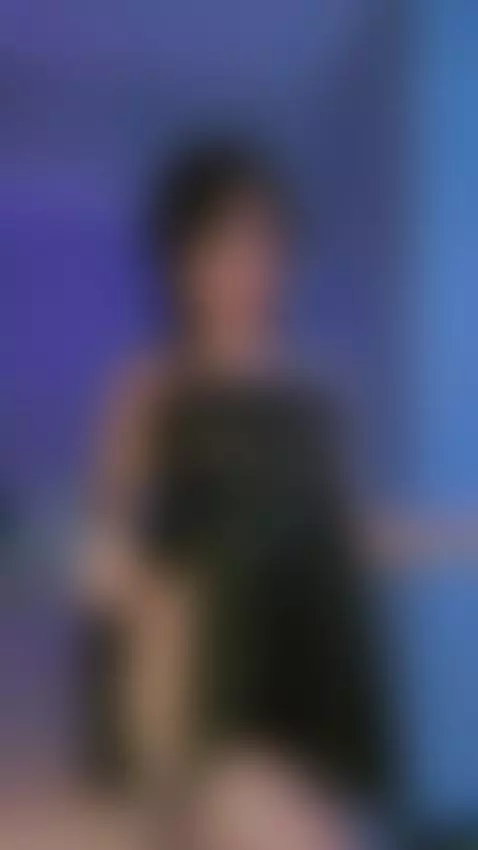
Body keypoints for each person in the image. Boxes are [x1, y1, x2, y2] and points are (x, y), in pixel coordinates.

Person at [85, 139, 386, 847]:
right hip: (205, 691)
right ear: (180, 260)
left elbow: (345, 538)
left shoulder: (319, 394)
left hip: (312, 693)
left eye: (264, 243)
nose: (247, 268)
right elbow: (116, 557)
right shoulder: (152, 393)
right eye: (222, 246)